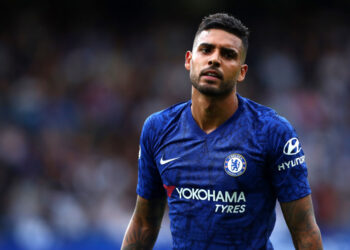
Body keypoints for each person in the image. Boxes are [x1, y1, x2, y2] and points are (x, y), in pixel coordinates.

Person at [121, 13, 323, 249]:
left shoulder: (273, 132)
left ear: (242, 72)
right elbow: (144, 224)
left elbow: (305, 231)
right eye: (206, 50)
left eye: (228, 54)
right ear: (189, 60)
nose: (214, 60)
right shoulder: (158, 129)